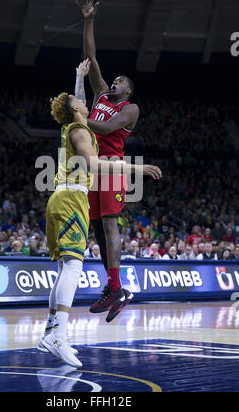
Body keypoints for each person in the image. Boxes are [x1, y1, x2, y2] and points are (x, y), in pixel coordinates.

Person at [38, 79, 161, 367]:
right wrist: (135, 168)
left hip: (61, 198)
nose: (83, 100)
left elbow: (76, 100)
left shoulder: (73, 126)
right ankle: (58, 335)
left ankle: (49, 332)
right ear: (78, 108)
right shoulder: (80, 130)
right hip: (71, 199)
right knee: (72, 266)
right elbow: (94, 165)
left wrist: (80, 76)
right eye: (78, 100)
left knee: (62, 269)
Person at [76, 0, 141, 314]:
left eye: (120, 82)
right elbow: (91, 56)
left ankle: (116, 286)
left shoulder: (129, 109)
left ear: (128, 90)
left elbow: (106, 128)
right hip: (93, 169)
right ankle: (114, 288)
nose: (114, 83)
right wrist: (89, 19)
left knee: (111, 226)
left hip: (113, 169)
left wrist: (77, 118)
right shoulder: (101, 94)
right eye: (113, 81)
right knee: (98, 230)